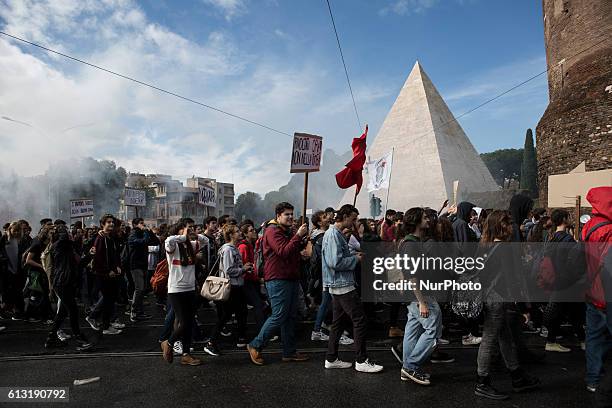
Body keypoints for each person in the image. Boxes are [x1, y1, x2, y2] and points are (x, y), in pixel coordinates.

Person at [475, 210, 540, 400]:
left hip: (489, 298)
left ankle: (517, 375)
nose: (510, 226)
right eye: (506, 223)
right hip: (497, 300)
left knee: (505, 338)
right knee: (489, 340)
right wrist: (525, 308)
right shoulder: (505, 249)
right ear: (498, 226)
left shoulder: (484, 245)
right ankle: (482, 382)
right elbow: (515, 281)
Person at [247, 202, 309, 366]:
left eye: (291, 214)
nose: (290, 217)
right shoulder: (272, 231)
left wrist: (300, 239)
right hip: (277, 278)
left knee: (290, 316)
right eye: (287, 214)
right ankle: (255, 345)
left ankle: (289, 352)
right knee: (279, 315)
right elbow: (283, 251)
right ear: (278, 216)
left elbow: (292, 250)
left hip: (290, 277)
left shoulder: (286, 231)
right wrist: (297, 236)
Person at [322, 204, 383, 373]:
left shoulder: (334, 234)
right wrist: (355, 259)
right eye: (353, 218)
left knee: (338, 323)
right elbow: (335, 262)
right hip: (342, 284)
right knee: (360, 320)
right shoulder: (333, 234)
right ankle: (361, 360)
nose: (355, 222)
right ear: (345, 216)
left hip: (338, 284)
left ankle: (331, 357)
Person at [160, 221, 207, 366]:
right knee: (184, 321)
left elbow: (205, 240)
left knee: (189, 322)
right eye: (186, 229)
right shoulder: (173, 246)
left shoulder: (191, 246)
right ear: (179, 231)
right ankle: (169, 342)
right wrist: (182, 236)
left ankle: (186, 354)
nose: (189, 231)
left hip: (190, 288)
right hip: (176, 289)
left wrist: (194, 234)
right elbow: (168, 240)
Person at [581, 186, 612, 394]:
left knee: (593, 336)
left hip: (592, 290)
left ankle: (593, 379)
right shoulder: (609, 230)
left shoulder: (589, 226)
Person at [542, 209, 585, 353]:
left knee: (567, 310)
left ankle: (578, 340)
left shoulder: (552, 238)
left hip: (556, 279)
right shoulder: (568, 240)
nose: (572, 217)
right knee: (573, 312)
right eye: (569, 216)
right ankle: (580, 340)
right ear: (564, 219)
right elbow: (574, 262)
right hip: (566, 280)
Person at [44, 225, 93, 351]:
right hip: (63, 282)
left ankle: (51, 339)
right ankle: (79, 339)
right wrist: (63, 233)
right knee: (73, 310)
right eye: (68, 232)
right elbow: (64, 241)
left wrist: (90, 255)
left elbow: (80, 264)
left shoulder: (69, 248)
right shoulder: (60, 246)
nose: (71, 234)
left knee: (63, 312)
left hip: (67, 282)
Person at [86, 214, 123, 335]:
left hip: (110, 273)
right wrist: (108, 271)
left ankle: (106, 322)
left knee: (110, 299)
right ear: (103, 224)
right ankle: (105, 325)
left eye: (112, 222)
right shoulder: (100, 238)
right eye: (108, 222)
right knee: (108, 300)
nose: (111, 224)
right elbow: (99, 258)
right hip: (103, 274)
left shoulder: (108, 237)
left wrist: (117, 266)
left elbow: (113, 255)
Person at [237, 223, 265, 339]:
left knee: (244, 309)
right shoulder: (243, 247)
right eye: (251, 231)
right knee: (257, 304)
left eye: (254, 230)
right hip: (246, 282)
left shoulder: (250, 245)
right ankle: (262, 332)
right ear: (245, 234)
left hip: (250, 281)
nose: (254, 232)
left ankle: (242, 335)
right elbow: (245, 267)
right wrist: (258, 279)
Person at [127, 218, 152, 322]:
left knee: (142, 290)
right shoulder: (133, 234)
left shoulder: (142, 233)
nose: (143, 225)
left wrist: (149, 231)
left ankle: (140, 312)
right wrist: (145, 231)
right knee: (139, 289)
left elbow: (153, 241)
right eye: (141, 223)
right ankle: (134, 312)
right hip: (136, 265)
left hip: (143, 264)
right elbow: (144, 242)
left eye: (143, 223)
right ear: (135, 225)